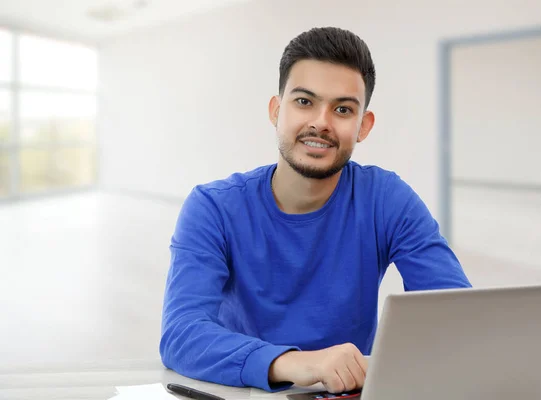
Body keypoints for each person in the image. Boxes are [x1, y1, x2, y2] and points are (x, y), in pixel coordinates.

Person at [159, 26, 471, 394]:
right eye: (304, 102)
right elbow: (182, 334)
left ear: (363, 126)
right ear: (276, 110)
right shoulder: (213, 207)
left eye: (342, 109)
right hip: (244, 393)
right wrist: (298, 363)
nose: (321, 122)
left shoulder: (387, 200)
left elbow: (457, 317)